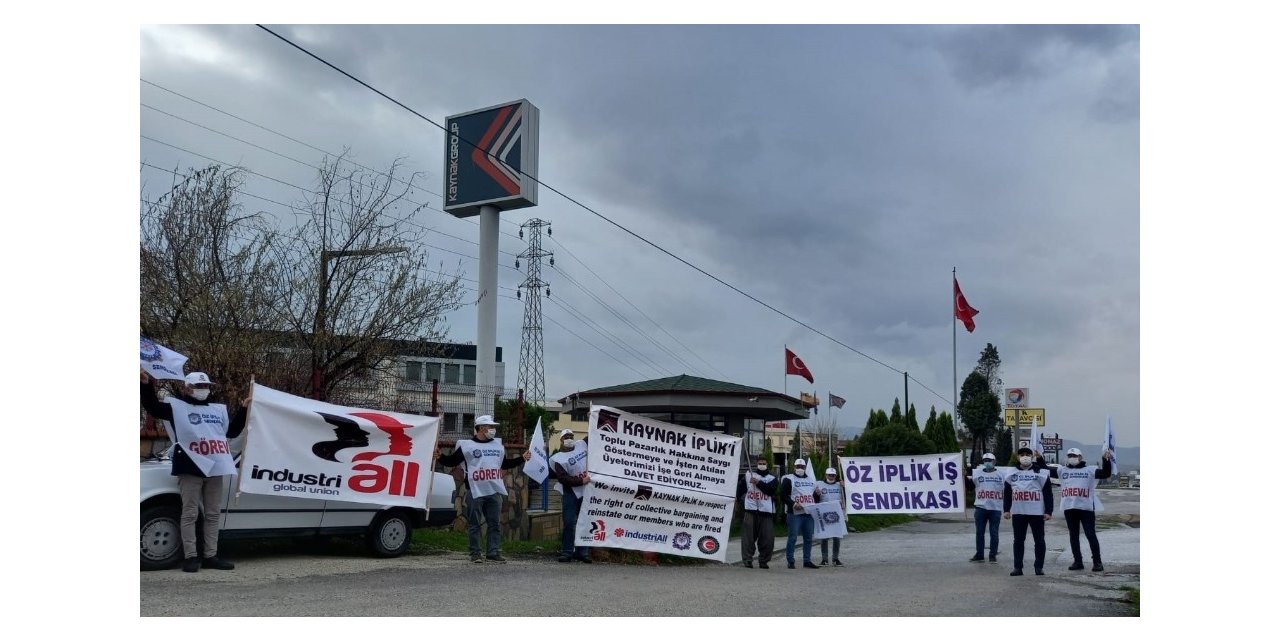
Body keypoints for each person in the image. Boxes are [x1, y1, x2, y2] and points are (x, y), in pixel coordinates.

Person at [140, 369, 247, 573]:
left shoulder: (217, 410)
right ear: (187, 388)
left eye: (206, 386)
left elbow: (232, 432)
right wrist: (146, 385)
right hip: (190, 466)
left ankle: (210, 556)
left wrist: (243, 409)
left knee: (213, 514)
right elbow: (153, 408)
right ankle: (191, 557)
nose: (203, 390)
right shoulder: (176, 408)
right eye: (199, 386)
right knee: (189, 513)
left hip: (216, 466)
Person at [435, 415, 531, 563]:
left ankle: (493, 552)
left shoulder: (497, 446)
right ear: (480, 428)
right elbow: (452, 461)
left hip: (493, 491)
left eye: (493, 427)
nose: (493, 430)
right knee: (474, 524)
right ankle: (475, 553)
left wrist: (522, 458)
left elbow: (504, 464)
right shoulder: (467, 446)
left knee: (494, 523)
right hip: (475, 491)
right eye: (490, 427)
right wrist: (440, 457)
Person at [1052, 447, 1113, 572]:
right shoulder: (1062, 470)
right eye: (1070, 455)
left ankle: (1097, 562)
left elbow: (1106, 473)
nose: (1072, 458)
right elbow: (1044, 469)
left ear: (1080, 457)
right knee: (1073, 536)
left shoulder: (1090, 470)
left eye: (1075, 456)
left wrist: (1106, 459)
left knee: (1090, 535)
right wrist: (1038, 457)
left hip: (1086, 508)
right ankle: (1077, 561)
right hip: (1069, 508)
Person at [1003, 447, 1053, 576]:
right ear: (1018, 457)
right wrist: (1006, 509)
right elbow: (1007, 493)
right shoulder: (1011, 472)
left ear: (1032, 456)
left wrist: (1049, 511)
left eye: (1027, 454)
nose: (1025, 457)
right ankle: (1018, 567)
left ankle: (1039, 567)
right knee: (1018, 541)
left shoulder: (1040, 472)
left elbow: (1048, 493)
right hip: (1019, 511)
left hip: (1036, 512)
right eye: (1022, 454)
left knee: (1039, 541)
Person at [549, 429, 592, 563]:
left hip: (586, 491)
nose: (569, 438)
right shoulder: (558, 458)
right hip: (570, 493)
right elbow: (562, 478)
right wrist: (580, 481)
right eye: (566, 437)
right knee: (569, 522)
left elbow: (593, 434)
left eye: (571, 436)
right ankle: (567, 552)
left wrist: (591, 417)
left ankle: (582, 552)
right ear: (561, 440)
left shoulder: (581, 445)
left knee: (584, 522)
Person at [736, 455, 778, 569]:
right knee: (748, 538)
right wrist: (741, 502)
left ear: (767, 465)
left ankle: (763, 560)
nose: (762, 465)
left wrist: (758, 483)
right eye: (760, 463)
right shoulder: (749, 475)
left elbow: (770, 490)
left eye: (764, 463)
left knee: (767, 539)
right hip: (751, 511)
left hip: (766, 512)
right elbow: (739, 490)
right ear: (756, 464)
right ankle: (747, 560)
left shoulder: (772, 477)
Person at [779, 459, 819, 569]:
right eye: (798, 466)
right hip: (795, 513)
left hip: (808, 513)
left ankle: (807, 560)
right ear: (794, 467)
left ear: (805, 467)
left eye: (802, 466)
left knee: (808, 538)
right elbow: (783, 495)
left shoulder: (811, 480)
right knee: (792, 538)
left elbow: (814, 498)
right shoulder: (788, 479)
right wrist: (792, 504)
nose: (800, 468)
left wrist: (817, 494)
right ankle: (790, 560)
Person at [969, 452, 1004, 563]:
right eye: (985, 461)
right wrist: (964, 476)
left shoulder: (1001, 475)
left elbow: (1009, 489)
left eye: (989, 460)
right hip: (980, 507)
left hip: (995, 508)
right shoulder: (977, 474)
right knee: (979, 532)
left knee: (994, 533)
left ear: (994, 461)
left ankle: (992, 555)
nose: (987, 462)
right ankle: (979, 554)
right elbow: (969, 487)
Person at [814, 467, 846, 566]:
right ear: (826, 475)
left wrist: (844, 487)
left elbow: (846, 498)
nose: (831, 477)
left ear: (836, 476)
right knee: (824, 537)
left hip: (837, 513)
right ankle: (824, 559)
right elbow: (815, 499)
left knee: (837, 537)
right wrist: (816, 494)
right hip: (824, 514)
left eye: (833, 475)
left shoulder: (839, 485)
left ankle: (835, 558)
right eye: (829, 475)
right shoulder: (819, 484)